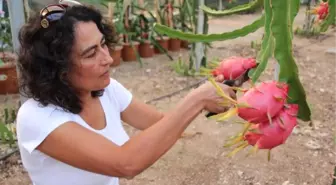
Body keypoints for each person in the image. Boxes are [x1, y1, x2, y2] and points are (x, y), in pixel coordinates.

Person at [15, 1, 238, 185]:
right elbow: (126, 163)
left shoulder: (106, 90)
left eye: (103, 44)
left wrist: (214, 96)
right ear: (58, 68)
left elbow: (160, 123)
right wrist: (196, 100)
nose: (108, 58)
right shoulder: (37, 118)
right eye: (91, 53)